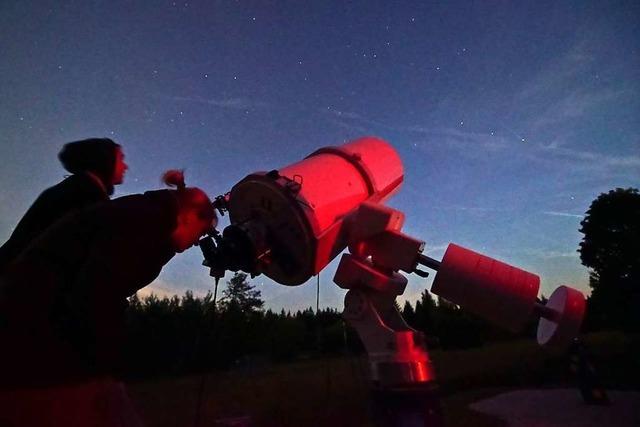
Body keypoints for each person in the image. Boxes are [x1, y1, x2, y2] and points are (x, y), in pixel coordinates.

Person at [0, 170, 216, 427]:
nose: (196, 243)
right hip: (32, 330)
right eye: (200, 233)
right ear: (190, 215)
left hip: (39, 324)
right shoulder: (146, 223)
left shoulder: (151, 218)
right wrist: (99, 361)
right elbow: (97, 290)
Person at [0, 137, 128, 273]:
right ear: (105, 160)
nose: (125, 166)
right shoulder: (85, 196)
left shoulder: (72, 189)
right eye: (121, 158)